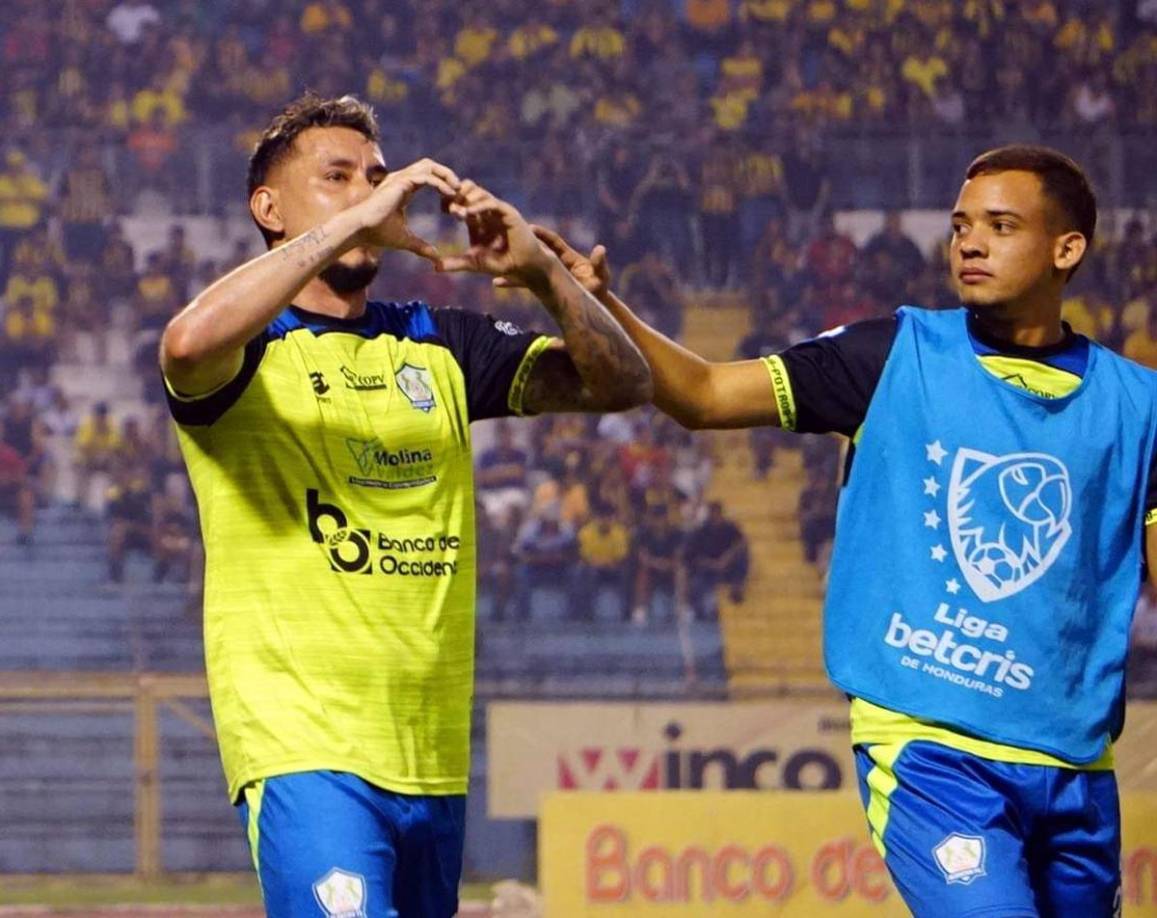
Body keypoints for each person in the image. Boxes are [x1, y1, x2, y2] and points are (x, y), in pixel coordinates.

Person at [529, 145, 1155, 916]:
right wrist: (594, 304)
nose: (969, 242)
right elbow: (705, 395)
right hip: (930, 748)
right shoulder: (891, 354)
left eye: (1000, 225)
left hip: (1076, 765)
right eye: (961, 225)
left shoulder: (1139, 407)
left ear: (1067, 249)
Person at [158, 93, 650, 918]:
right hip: (303, 745)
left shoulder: (434, 338)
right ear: (268, 209)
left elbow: (621, 384)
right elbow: (183, 345)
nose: (368, 192)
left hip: (428, 753)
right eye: (338, 177)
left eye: (379, 178)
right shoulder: (245, 349)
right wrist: (358, 219)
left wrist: (545, 277)